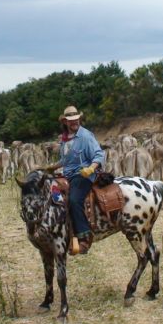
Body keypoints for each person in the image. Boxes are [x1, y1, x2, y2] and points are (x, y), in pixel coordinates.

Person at [51, 106, 105, 255]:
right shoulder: (65, 138)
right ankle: (60, 228)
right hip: (67, 174)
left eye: (76, 119)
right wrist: (50, 168)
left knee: (74, 199)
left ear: (79, 119)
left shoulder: (86, 136)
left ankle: (84, 237)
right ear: (65, 122)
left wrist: (91, 168)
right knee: (53, 193)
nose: (74, 122)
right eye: (70, 120)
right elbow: (64, 160)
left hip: (84, 174)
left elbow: (99, 154)